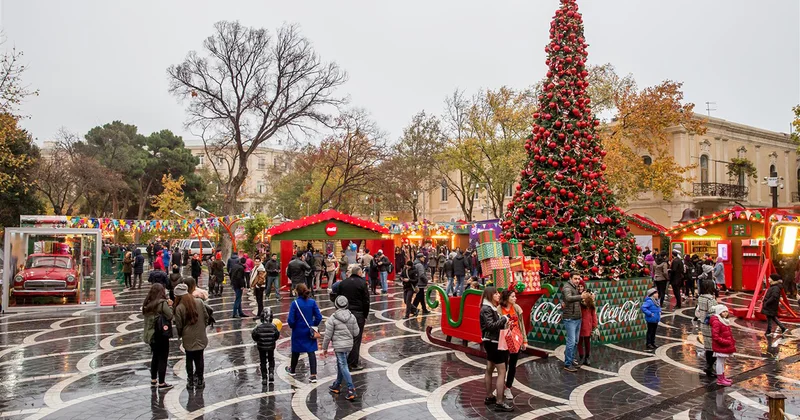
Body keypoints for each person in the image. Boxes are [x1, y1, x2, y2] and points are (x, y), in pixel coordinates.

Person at [479, 286, 512, 412]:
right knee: (502, 371)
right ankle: (499, 402)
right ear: (490, 295)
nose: (498, 295)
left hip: (490, 341)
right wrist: (504, 318)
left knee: (489, 368)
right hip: (493, 342)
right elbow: (491, 326)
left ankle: (489, 396)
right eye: (496, 293)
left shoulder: (489, 308)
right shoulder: (487, 309)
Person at [322, 295, 361, 401]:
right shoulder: (352, 317)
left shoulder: (332, 318)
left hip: (339, 346)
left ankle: (351, 388)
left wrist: (324, 348)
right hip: (348, 345)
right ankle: (337, 385)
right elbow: (356, 332)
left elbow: (327, 336)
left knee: (343, 364)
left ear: (336, 305)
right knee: (342, 363)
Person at [173, 283, 209, 390]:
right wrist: (202, 327)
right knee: (200, 358)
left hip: (187, 336)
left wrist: (181, 333)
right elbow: (206, 316)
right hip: (200, 335)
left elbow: (179, 325)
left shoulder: (179, 308)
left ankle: (190, 380)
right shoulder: (199, 302)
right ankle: (200, 380)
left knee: (189, 358)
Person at [286, 283, 322, 383]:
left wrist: (293, 326)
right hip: (309, 330)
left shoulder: (295, 303)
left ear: (297, 292)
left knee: (295, 351)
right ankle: (313, 375)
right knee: (311, 352)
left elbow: (290, 320)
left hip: (298, 331)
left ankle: (292, 370)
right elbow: (319, 317)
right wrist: (313, 325)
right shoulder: (312, 302)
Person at [338, 265, 370, 371]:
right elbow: (366, 301)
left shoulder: (343, 283)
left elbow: (338, 298)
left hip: (345, 313)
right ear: (359, 273)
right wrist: (365, 314)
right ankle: (352, 363)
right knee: (356, 339)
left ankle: (343, 361)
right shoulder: (362, 283)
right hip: (358, 314)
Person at [142, 283, 174, 390]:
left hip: (150, 334)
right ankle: (161, 382)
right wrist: (170, 305)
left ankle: (153, 379)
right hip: (160, 334)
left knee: (155, 356)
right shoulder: (162, 303)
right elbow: (170, 315)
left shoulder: (147, 303)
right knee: (163, 357)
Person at [499, 289, 528, 401]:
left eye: (515, 296)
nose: (515, 298)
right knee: (503, 365)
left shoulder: (516, 308)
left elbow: (521, 324)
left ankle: (508, 387)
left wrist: (524, 340)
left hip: (516, 338)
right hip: (504, 339)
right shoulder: (499, 309)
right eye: (512, 296)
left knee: (513, 364)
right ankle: (500, 386)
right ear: (506, 298)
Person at [251, 307, 280, 384]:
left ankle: (264, 377)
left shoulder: (258, 327)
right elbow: (277, 335)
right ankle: (271, 373)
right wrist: (272, 340)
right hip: (271, 346)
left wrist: (258, 341)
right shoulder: (274, 326)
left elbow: (254, 335)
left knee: (263, 361)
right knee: (271, 359)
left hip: (261, 347)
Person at [695, 279, 717, 376]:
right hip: (711, 325)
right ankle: (710, 366)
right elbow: (713, 313)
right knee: (714, 347)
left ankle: (708, 366)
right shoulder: (711, 299)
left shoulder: (701, 298)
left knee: (708, 347)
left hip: (703, 324)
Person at [710, 305, 736, 386]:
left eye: (726, 311)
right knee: (720, 362)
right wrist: (726, 342)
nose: (725, 313)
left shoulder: (723, 320)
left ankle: (722, 377)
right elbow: (715, 336)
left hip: (724, 345)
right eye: (723, 312)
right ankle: (720, 379)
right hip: (721, 345)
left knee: (722, 362)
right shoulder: (717, 322)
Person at [562, 274, 583, 372]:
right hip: (570, 318)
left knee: (575, 342)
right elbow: (568, 298)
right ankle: (567, 364)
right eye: (575, 278)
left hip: (577, 318)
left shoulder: (575, 287)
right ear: (570, 278)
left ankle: (571, 359)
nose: (577, 280)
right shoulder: (567, 287)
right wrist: (581, 296)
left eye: (579, 279)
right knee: (571, 342)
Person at [577, 288, 598, 365]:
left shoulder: (591, 304)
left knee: (587, 342)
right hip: (579, 324)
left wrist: (594, 325)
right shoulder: (579, 302)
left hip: (587, 325)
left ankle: (587, 357)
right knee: (579, 341)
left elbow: (593, 315)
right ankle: (581, 356)